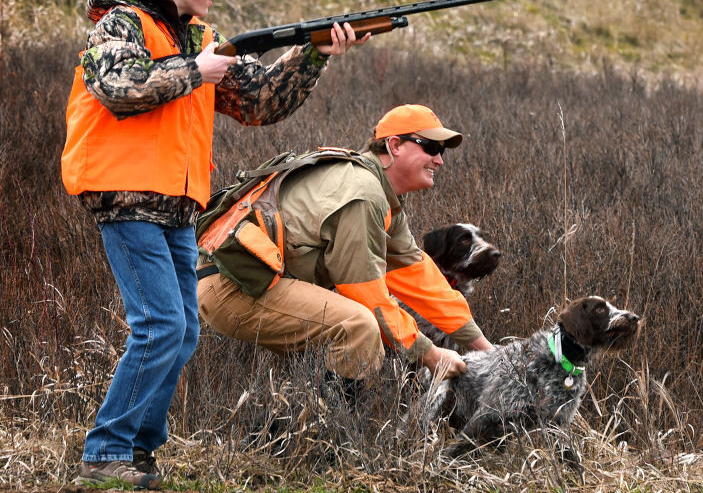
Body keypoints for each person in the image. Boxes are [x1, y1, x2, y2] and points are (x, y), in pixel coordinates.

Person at [60, 0, 368, 490]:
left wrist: (314, 54)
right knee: (158, 326)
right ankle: (106, 452)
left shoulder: (202, 36)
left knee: (182, 332)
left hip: (179, 202)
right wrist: (192, 72)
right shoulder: (122, 23)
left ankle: (139, 453)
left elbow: (257, 104)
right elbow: (116, 87)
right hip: (126, 195)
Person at [196, 104, 493, 410]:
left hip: (247, 281)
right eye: (430, 147)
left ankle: (284, 434)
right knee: (358, 327)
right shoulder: (364, 195)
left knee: (347, 333)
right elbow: (366, 294)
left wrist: (486, 351)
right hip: (231, 287)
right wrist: (430, 354)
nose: (439, 160)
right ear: (394, 146)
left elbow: (420, 278)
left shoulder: (381, 196)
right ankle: (321, 441)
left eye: (442, 150)